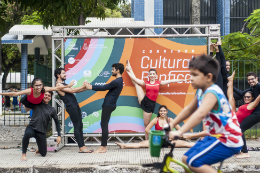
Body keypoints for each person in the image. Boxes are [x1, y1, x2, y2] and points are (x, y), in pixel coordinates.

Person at [169, 54, 243, 173]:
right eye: (190, 74)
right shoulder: (201, 92)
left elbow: (200, 113)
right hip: (214, 136)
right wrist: (171, 125)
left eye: (195, 75)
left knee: (194, 162)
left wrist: (180, 131)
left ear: (208, 77)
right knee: (185, 158)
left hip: (227, 138)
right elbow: (188, 110)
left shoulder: (212, 92)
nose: (191, 78)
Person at [125, 60, 186, 139]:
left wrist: (181, 80)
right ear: (149, 75)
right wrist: (128, 72)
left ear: (156, 75)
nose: (152, 75)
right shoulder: (146, 83)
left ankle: (147, 141)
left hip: (150, 105)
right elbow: (135, 79)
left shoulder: (158, 83)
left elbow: (170, 81)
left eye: (153, 74)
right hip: (145, 99)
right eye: (151, 74)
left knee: (147, 124)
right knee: (136, 83)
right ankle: (129, 68)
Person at [85, 63, 124, 153]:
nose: (112, 71)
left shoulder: (117, 81)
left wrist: (90, 87)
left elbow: (104, 87)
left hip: (109, 105)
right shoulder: (119, 80)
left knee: (104, 125)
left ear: (118, 70)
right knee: (104, 124)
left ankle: (103, 147)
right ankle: (103, 146)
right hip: (110, 105)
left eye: (113, 69)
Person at [115, 105, 195, 149]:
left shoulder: (171, 120)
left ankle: (204, 147)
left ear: (166, 112)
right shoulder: (155, 120)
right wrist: (155, 135)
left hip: (170, 142)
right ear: (159, 112)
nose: (162, 112)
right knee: (141, 143)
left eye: (164, 111)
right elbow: (147, 129)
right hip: (158, 141)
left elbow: (180, 130)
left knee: (186, 143)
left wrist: (174, 136)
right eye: (161, 111)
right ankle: (124, 145)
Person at [55, 68, 93, 153]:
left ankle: (83, 145)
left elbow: (75, 91)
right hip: (71, 107)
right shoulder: (58, 85)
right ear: (58, 75)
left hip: (75, 105)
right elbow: (72, 90)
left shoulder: (64, 84)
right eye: (63, 73)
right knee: (77, 125)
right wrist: (84, 85)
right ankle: (80, 147)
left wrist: (86, 88)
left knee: (80, 125)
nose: (65, 75)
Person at [21, 91, 61, 161]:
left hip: (41, 131)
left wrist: (59, 135)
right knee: (27, 134)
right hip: (32, 128)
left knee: (43, 154)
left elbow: (57, 122)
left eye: (49, 96)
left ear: (50, 98)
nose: (47, 97)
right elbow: (22, 100)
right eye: (45, 95)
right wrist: (31, 91)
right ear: (42, 95)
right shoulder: (36, 103)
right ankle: (23, 154)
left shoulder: (52, 109)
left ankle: (40, 148)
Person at [232, 71, 260, 158]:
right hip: (255, 113)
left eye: (252, 79)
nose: (250, 81)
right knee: (239, 129)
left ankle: (245, 152)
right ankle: (240, 150)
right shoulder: (252, 88)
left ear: (256, 78)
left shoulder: (258, 85)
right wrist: (230, 85)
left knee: (240, 129)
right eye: (249, 80)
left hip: (258, 113)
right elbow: (241, 94)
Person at [0, 78, 74, 110]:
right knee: (24, 103)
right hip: (29, 101)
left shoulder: (44, 89)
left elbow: (57, 88)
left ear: (42, 85)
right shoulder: (30, 90)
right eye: (36, 85)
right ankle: (24, 105)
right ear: (33, 86)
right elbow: (16, 94)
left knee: (37, 109)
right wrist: (1, 93)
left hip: (37, 103)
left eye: (40, 85)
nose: (39, 87)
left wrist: (68, 86)